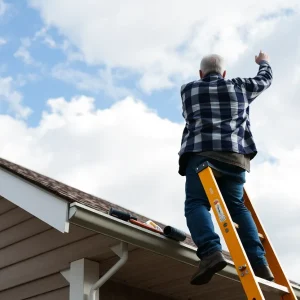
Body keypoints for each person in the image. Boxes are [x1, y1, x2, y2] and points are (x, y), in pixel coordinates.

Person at [178, 51, 273, 285]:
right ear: (224, 73)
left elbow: (188, 115)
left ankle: (210, 252)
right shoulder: (239, 87)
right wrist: (263, 62)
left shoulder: (188, 90)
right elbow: (265, 80)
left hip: (202, 155)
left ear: (200, 73)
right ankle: (259, 263)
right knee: (238, 208)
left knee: (197, 204)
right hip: (234, 158)